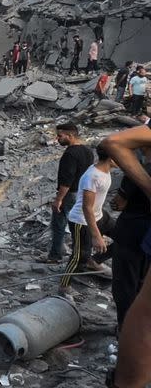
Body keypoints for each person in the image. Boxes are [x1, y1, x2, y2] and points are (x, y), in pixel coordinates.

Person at [100, 124, 151, 387]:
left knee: (131, 298)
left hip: (134, 230)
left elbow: (113, 142)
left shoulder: (135, 174)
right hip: (139, 233)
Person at [59, 145, 115, 297]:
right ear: (111, 158)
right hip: (81, 220)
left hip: (99, 215)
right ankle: (64, 286)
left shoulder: (105, 169)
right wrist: (96, 236)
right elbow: (86, 208)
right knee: (79, 256)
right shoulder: (93, 176)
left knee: (124, 236)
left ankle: (94, 261)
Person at [110, 146, 151, 329]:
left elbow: (119, 203)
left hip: (131, 231)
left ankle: (125, 328)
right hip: (147, 237)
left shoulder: (138, 171)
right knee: (143, 284)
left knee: (125, 285)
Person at [42, 122, 95, 264]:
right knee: (78, 225)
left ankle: (55, 256)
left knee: (59, 224)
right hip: (83, 193)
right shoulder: (88, 151)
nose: (57, 139)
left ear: (70, 135)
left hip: (70, 194)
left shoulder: (70, 154)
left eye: (60, 136)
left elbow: (67, 180)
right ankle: (81, 255)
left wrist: (58, 199)